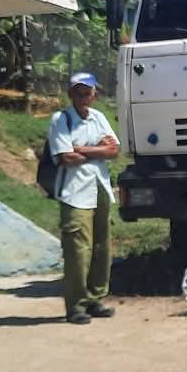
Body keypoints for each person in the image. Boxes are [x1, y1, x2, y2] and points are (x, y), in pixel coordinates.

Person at [47, 72, 119, 324]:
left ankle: (95, 298)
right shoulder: (61, 119)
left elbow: (114, 150)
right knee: (78, 251)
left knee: (102, 247)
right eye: (78, 92)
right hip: (75, 192)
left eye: (87, 92)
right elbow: (66, 157)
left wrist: (83, 150)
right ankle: (76, 305)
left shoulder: (98, 117)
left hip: (99, 187)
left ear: (94, 94)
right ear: (70, 94)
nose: (83, 96)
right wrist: (99, 151)